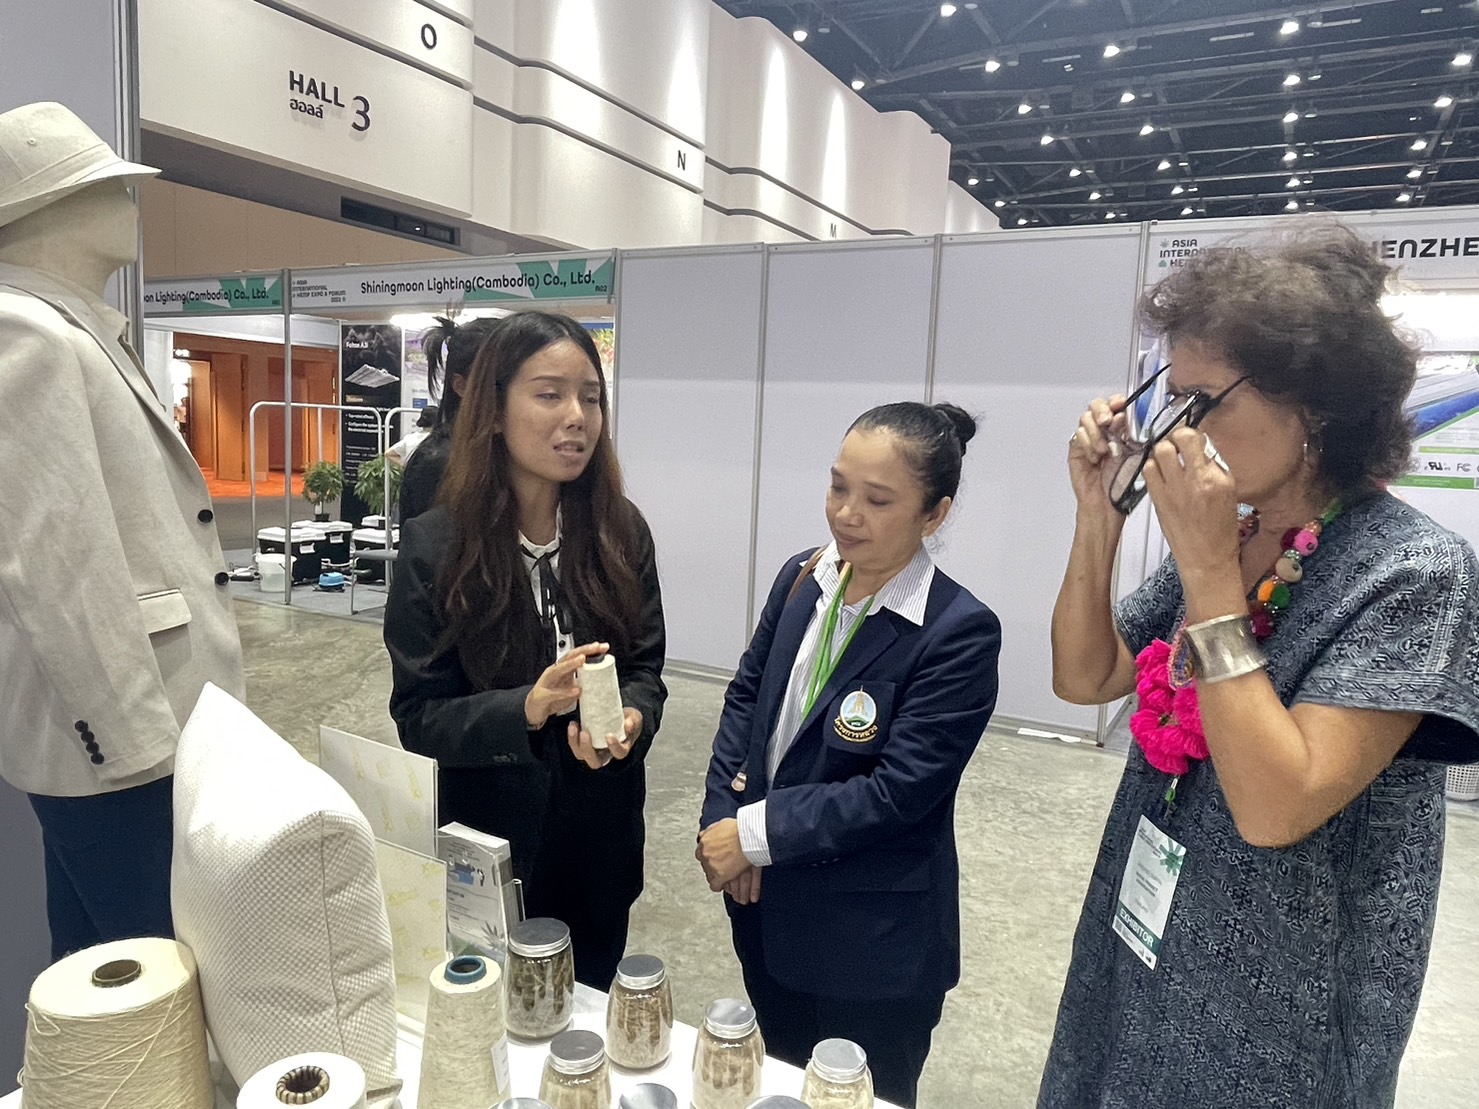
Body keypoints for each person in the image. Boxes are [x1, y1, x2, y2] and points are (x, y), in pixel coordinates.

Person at [1040, 222, 1479, 1109]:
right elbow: (1085, 678)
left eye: (1201, 402)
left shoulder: (1412, 570)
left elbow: (1276, 806)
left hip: (1281, 998)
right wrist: (1098, 515)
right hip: (1148, 930)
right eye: (1171, 398)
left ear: (1313, 406)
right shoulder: (1238, 531)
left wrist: (1209, 574)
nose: (1175, 433)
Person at [697, 402, 1002, 1108]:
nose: (846, 514)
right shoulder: (801, 578)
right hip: (768, 907)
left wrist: (753, 834)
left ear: (935, 514)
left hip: (871, 946)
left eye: (878, 500)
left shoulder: (956, 632)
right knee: (781, 1079)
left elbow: (897, 791)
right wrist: (724, 819)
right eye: (838, 487)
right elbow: (747, 701)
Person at [0, 102, 244, 958]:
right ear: (47, 207)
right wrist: (135, 747)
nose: (129, 202)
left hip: (138, 733)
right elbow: (55, 566)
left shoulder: (72, 328)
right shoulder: (25, 332)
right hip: (127, 744)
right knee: (160, 976)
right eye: (106, 188)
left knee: (100, 972)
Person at [384, 310, 666, 990]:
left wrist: (631, 717)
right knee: (496, 1014)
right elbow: (419, 717)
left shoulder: (620, 531)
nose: (577, 417)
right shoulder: (436, 546)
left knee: (587, 1008)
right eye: (549, 394)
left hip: (600, 838)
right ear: (493, 410)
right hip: (489, 846)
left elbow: (644, 669)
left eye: (590, 397)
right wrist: (527, 709)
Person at [399, 316, 498, 522]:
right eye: (496, 381)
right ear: (461, 385)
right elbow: (428, 538)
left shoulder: (502, 446)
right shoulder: (438, 461)